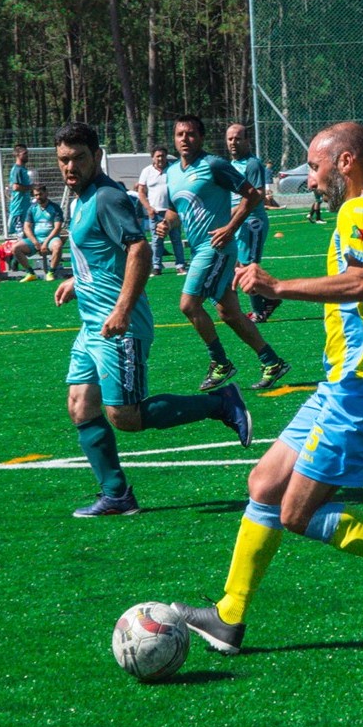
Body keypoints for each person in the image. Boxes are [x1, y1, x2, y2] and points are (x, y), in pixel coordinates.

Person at [170, 121, 363, 654]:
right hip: (347, 383)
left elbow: (361, 283)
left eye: (314, 166)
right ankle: (228, 617)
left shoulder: (360, 211)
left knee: (297, 514)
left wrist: (276, 285)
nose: (310, 180)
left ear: (346, 161)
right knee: (264, 483)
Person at [50, 121, 254, 518]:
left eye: (77, 158)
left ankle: (221, 402)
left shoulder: (107, 197)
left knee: (125, 417)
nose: (69, 167)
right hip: (92, 324)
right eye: (63, 160)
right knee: (79, 405)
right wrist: (79, 279)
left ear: (96, 156)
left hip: (117, 326)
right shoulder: (80, 198)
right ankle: (117, 495)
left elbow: (139, 251)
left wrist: (122, 310)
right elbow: (102, 251)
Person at [158, 114, 291, 392]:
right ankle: (272, 361)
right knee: (229, 313)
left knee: (188, 305)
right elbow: (174, 209)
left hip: (215, 248)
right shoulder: (171, 172)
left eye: (191, 134)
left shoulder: (214, 165)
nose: (185, 139)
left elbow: (253, 195)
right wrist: (166, 223)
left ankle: (220, 362)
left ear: (202, 138)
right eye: (180, 134)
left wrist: (230, 228)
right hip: (198, 250)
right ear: (174, 138)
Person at [225, 122, 280, 322]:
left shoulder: (252, 164)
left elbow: (257, 195)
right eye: (230, 138)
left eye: (238, 138)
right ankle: (268, 300)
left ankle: (260, 311)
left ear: (247, 141)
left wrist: (232, 212)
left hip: (252, 222)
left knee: (248, 267)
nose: (233, 142)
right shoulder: (230, 165)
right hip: (237, 221)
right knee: (239, 266)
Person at [136, 147, 185, 274]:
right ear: (153, 157)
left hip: (172, 211)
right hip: (155, 212)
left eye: (162, 155)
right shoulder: (146, 171)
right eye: (157, 156)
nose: (160, 158)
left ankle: (180, 265)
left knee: (176, 239)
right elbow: (141, 192)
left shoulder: (173, 169)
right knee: (157, 240)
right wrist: (148, 208)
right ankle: (156, 266)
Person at [18, 183, 66, 280]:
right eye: (36, 195)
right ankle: (31, 273)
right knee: (15, 248)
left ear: (46, 193)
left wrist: (46, 242)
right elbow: (26, 227)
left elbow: (57, 228)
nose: (38, 197)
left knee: (58, 245)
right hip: (36, 240)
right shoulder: (32, 208)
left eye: (40, 194)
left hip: (51, 239)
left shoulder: (55, 208)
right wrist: (35, 242)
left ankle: (51, 272)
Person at [7, 144, 35, 239]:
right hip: (19, 208)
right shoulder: (17, 169)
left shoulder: (23, 169)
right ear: (17, 154)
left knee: (29, 234)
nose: (27, 155)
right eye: (25, 153)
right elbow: (16, 187)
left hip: (25, 207)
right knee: (21, 236)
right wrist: (31, 187)